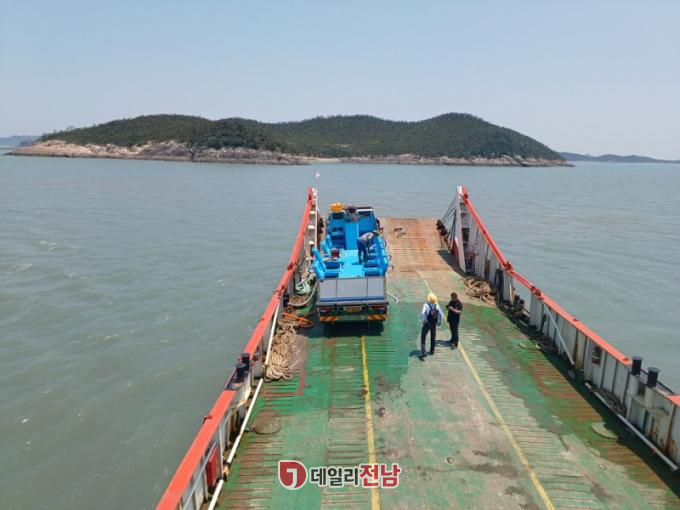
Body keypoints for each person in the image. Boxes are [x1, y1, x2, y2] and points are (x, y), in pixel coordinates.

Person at [420, 293, 443, 359]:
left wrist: (424, 320)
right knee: (433, 337)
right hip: (434, 324)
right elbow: (440, 314)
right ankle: (432, 351)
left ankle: (424, 351)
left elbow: (423, 313)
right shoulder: (437, 306)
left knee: (423, 336)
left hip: (427, 323)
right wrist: (440, 322)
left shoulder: (426, 305)